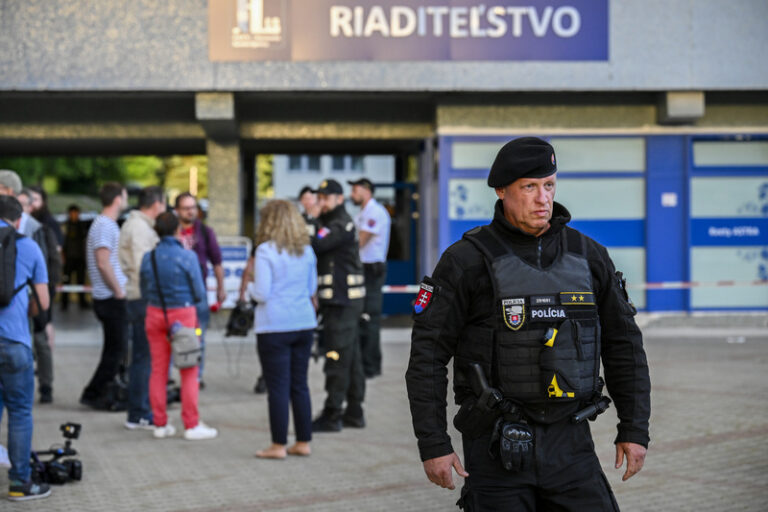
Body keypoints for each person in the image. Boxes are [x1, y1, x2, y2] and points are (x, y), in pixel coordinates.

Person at [405, 137, 651, 511]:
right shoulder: (466, 261)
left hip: (571, 441)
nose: (543, 199)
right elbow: (428, 357)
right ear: (502, 190)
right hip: (494, 443)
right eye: (529, 187)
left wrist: (634, 428)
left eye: (549, 185)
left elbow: (624, 346)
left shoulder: (588, 256)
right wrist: (433, 443)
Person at [246, 200, 317, 459]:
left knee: (277, 387)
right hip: (303, 322)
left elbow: (262, 293)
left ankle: (278, 445)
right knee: (300, 384)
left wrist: (249, 287)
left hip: (274, 325)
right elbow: (311, 289)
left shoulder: (265, 251)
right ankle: (303, 442)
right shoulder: (307, 250)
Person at [140, 211, 217, 440]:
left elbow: (144, 289)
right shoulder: (187, 257)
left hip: (155, 314)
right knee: (189, 369)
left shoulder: (148, 258)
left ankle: (160, 424)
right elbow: (199, 293)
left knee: (158, 370)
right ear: (177, 230)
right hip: (183, 315)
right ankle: (191, 425)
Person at [0, 195, 52, 501]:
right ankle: (20, 483)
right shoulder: (29, 246)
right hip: (15, 342)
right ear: (19, 220)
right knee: (19, 412)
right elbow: (43, 302)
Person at [310, 179, 367, 432]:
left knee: (335, 357)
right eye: (319, 197)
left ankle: (332, 414)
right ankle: (354, 411)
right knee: (350, 358)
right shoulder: (332, 222)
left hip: (342, 302)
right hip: (341, 302)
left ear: (339, 199)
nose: (321, 202)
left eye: (326, 198)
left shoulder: (339, 224)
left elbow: (317, 243)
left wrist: (311, 219)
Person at [118, 186, 166, 430]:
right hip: (142, 298)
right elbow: (141, 266)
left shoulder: (139, 225)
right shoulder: (138, 228)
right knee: (144, 358)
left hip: (139, 297)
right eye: (164, 204)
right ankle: (139, 412)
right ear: (156, 204)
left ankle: (140, 411)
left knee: (143, 356)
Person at [80, 182, 129, 411]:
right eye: (125, 196)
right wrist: (118, 290)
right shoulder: (104, 225)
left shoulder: (106, 224)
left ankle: (105, 391)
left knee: (116, 349)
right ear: (117, 199)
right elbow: (102, 262)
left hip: (110, 296)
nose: (126, 200)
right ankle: (94, 393)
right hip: (110, 298)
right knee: (115, 351)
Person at [174, 192, 226, 389]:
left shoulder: (204, 232)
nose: (190, 212)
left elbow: (217, 262)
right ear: (177, 210)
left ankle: (197, 377)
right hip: (174, 294)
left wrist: (221, 287)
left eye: (193, 207)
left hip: (198, 294)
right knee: (172, 336)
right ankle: (169, 378)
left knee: (198, 335)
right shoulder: (171, 231)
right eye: (186, 208)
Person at [18, 188, 61, 404]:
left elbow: (52, 264)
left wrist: (45, 296)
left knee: (41, 341)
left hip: (36, 295)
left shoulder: (41, 230)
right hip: (13, 299)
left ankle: (46, 386)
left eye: (27, 203)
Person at [348, 178, 391, 379]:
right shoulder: (363, 213)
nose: (352, 194)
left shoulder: (375, 212)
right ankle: (365, 364)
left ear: (366, 191)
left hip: (371, 269)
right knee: (363, 318)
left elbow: (360, 241)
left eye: (355, 190)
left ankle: (371, 366)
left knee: (370, 318)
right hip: (363, 268)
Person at [61, 204, 89, 310]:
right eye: (72, 213)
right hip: (68, 258)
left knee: (81, 281)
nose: (74, 215)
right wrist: (63, 257)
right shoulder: (65, 226)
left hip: (80, 258)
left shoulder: (82, 226)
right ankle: (64, 303)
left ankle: (82, 302)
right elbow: (62, 243)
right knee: (66, 281)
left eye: (76, 213)